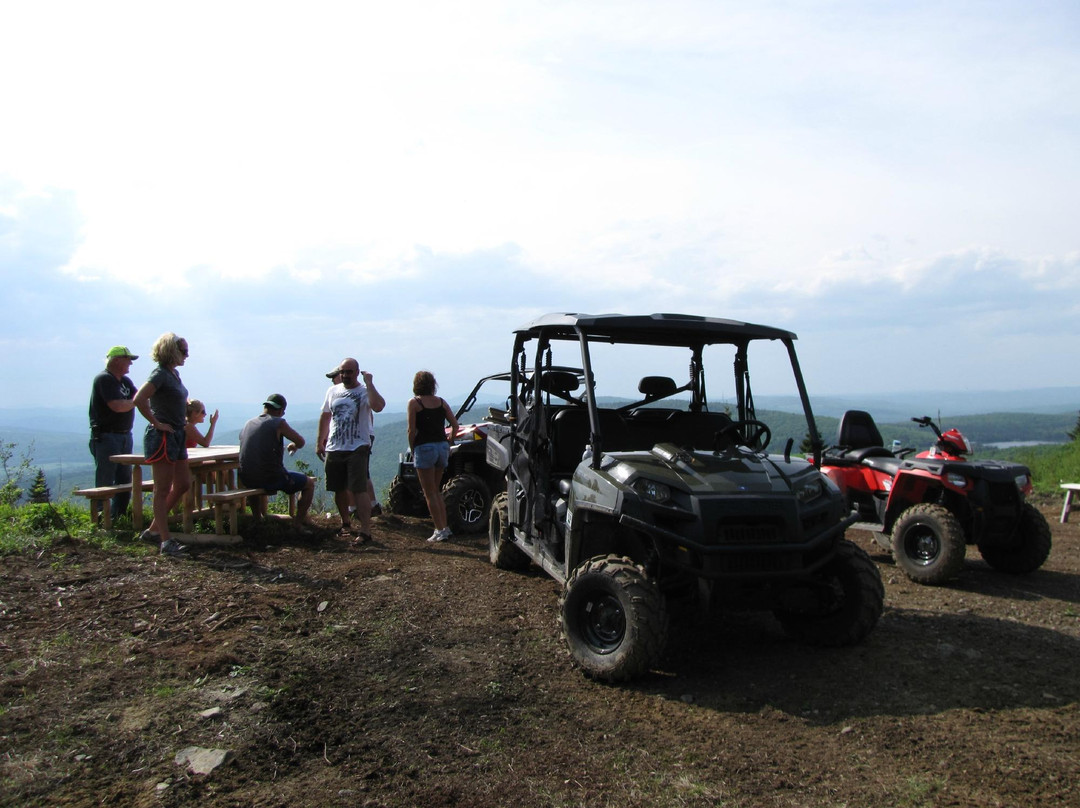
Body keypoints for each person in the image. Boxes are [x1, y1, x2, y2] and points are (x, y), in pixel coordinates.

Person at [133, 332, 192, 558]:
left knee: (184, 484)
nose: (187, 355)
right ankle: (166, 541)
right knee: (162, 489)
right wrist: (157, 422)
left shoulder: (173, 375)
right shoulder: (159, 374)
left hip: (177, 434)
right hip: (163, 437)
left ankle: (153, 531)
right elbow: (139, 399)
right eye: (183, 351)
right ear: (171, 351)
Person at [316, 357, 385, 543]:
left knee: (358, 489)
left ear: (357, 372)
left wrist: (369, 383)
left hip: (358, 446)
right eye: (343, 372)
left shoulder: (364, 392)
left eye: (349, 372)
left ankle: (365, 531)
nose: (345, 375)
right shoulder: (332, 391)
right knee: (338, 488)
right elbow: (325, 416)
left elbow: (378, 406)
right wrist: (319, 441)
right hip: (334, 446)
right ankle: (345, 523)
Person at [238, 394, 314, 524]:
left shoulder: (248, 423)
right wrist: (293, 446)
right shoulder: (279, 423)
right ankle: (298, 525)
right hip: (270, 477)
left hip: (246, 477)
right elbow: (300, 442)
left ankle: (258, 521)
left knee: (253, 479)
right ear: (281, 411)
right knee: (309, 484)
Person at [88, 346, 139, 523]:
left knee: (125, 479)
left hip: (125, 435)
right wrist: (135, 402)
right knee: (105, 480)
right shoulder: (104, 379)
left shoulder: (125, 381)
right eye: (128, 359)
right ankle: (101, 518)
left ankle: (119, 517)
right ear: (117, 360)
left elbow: (140, 397)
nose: (131, 363)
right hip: (107, 436)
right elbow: (117, 406)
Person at [407, 370, 459, 542]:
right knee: (436, 491)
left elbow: (411, 430)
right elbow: (455, 425)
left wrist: (412, 448)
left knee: (429, 493)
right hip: (442, 447)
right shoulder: (441, 402)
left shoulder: (414, 403)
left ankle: (439, 529)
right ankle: (446, 527)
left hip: (425, 447)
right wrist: (450, 441)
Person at [326, 366, 383, 516]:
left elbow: (374, 409)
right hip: (343, 440)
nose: (335, 379)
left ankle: (362, 506)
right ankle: (363, 506)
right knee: (359, 476)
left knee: (360, 476)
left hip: (359, 439)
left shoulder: (361, 391)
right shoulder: (336, 393)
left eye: (335, 376)